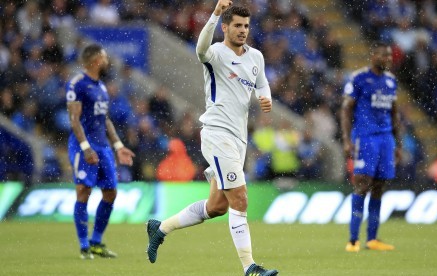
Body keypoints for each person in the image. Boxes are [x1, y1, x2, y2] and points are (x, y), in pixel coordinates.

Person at [146, 1, 278, 275]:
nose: (242, 31)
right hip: (218, 134)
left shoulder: (256, 57)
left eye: (246, 26)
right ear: (226, 28)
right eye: (237, 26)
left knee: (217, 206)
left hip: (239, 139)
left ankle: (160, 228)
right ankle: (249, 267)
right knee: (240, 199)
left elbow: (262, 83)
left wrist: (265, 98)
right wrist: (216, 13)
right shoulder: (216, 53)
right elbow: (199, 49)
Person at [66, 44, 135, 259]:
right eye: (105, 57)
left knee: (111, 192)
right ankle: (84, 245)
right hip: (83, 145)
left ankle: (96, 241)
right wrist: (86, 148)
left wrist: (118, 145)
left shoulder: (102, 87)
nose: (108, 61)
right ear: (95, 60)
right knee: (83, 192)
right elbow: (74, 119)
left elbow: (105, 120)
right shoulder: (77, 84)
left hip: (103, 146)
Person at [341, 41, 401, 252]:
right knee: (362, 184)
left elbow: (394, 114)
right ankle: (353, 239)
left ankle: (372, 239)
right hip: (365, 138)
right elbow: (346, 110)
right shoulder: (359, 78)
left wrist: (398, 144)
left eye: (389, 56)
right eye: (383, 55)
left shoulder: (391, 81)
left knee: (379, 186)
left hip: (386, 140)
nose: (387, 59)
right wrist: (347, 140)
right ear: (373, 55)